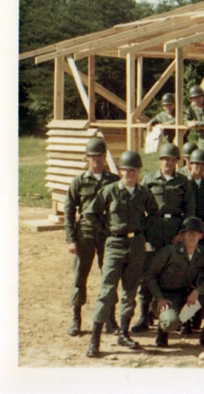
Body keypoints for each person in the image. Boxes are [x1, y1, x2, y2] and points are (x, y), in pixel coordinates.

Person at [84, 150, 159, 358]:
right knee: (107, 291)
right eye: (126, 169)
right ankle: (95, 340)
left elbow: (154, 213)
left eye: (134, 170)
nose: (130, 173)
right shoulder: (110, 191)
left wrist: (142, 229)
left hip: (135, 244)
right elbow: (90, 213)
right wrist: (106, 229)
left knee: (130, 290)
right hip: (114, 244)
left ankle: (123, 333)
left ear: (139, 171)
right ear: (121, 170)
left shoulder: (143, 193)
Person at [133, 143, 196, 333]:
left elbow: (190, 211)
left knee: (179, 272)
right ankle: (144, 316)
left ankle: (184, 318)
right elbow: (139, 207)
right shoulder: (149, 179)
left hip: (175, 232)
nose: (168, 162)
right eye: (165, 159)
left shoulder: (183, 182)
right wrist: (143, 235)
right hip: (154, 230)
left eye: (172, 159)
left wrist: (183, 234)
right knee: (148, 273)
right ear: (160, 160)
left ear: (177, 161)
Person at [64, 138, 120, 337]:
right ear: (87, 158)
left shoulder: (114, 181)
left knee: (110, 276)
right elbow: (69, 210)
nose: (96, 160)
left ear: (105, 157)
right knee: (80, 276)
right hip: (85, 233)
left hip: (108, 234)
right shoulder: (78, 182)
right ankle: (76, 319)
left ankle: (111, 319)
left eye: (99, 156)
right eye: (92, 156)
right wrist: (71, 239)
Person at [146, 217, 204, 349]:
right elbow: (150, 276)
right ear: (182, 235)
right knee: (171, 323)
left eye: (195, 233)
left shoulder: (203, 253)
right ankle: (162, 331)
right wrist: (159, 298)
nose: (192, 236)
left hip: (187, 295)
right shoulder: (169, 251)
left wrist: (197, 291)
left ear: (201, 235)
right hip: (166, 297)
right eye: (188, 233)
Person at [184, 85, 204, 154]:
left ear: (203, 96)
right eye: (194, 98)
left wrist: (196, 123)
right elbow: (184, 118)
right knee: (202, 159)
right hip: (203, 138)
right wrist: (188, 123)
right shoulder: (192, 109)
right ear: (191, 99)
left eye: (199, 97)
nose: (197, 100)